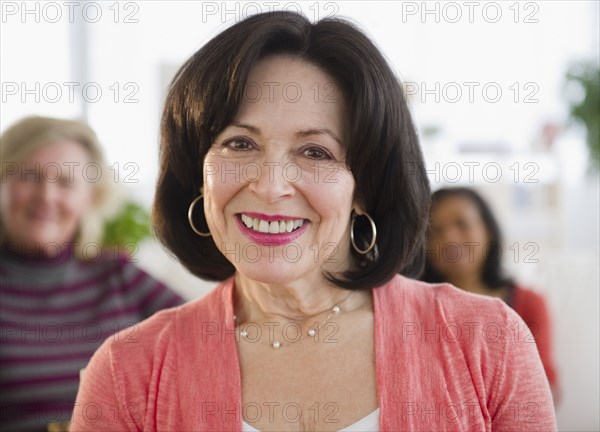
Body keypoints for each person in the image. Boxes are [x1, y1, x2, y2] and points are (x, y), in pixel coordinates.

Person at [71, 11, 557, 431]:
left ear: (365, 187)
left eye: (315, 151)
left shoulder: (488, 342)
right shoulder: (126, 372)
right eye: (240, 143)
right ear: (199, 174)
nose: (270, 185)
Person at [0, 116, 185, 432]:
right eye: (30, 177)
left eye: (66, 182)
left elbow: (209, 331)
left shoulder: (118, 274)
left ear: (91, 197)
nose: (46, 196)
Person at [421, 186, 561, 404]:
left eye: (462, 224)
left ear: (488, 230)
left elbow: (547, 389)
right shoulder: (416, 305)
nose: (450, 238)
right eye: (436, 231)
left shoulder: (528, 303)